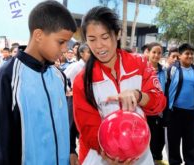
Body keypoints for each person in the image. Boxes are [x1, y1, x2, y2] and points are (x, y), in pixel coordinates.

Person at [0, 1, 77, 164]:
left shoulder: (59, 77)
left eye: (67, 43)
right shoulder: (8, 77)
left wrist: (70, 150)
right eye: (61, 42)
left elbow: (64, 123)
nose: (65, 49)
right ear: (39, 35)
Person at [73, 6, 166, 165]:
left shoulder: (140, 64)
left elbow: (159, 103)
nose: (99, 45)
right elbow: (87, 127)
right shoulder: (82, 80)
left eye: (104, 37)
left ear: (117, 34)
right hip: (100, 157)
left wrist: (139, 96)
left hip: (139, 155)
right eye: (92, 39)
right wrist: (107, 153)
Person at [165, 43, 194, 165]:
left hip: (191, 114)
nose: (190, 56)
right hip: (174, 112)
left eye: (192, 54)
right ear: (180, 55)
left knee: (191, 142)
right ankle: (174, 162)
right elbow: (165, 90)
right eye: (187, 53)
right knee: (173, 142)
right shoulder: (172, 70)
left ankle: (190, 162)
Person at [64, 43, 91, 165]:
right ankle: (70, 151)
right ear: (81, 54)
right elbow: (63, 77)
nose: (91, 55)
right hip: (74, 99)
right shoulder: (76, 66)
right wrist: (68, 90)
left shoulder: (91, 66)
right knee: (72, 125)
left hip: (86, 100)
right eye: (89, 52)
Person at [144, 42, 169, 165]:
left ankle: (155, 160)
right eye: (154, 52)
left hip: (159, 112)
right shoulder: (142, 69)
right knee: (144, 141)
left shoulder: (164, 72)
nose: (156, 55)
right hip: (144, 111)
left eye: (159, 53)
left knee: (158, 141)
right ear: (148, 52)